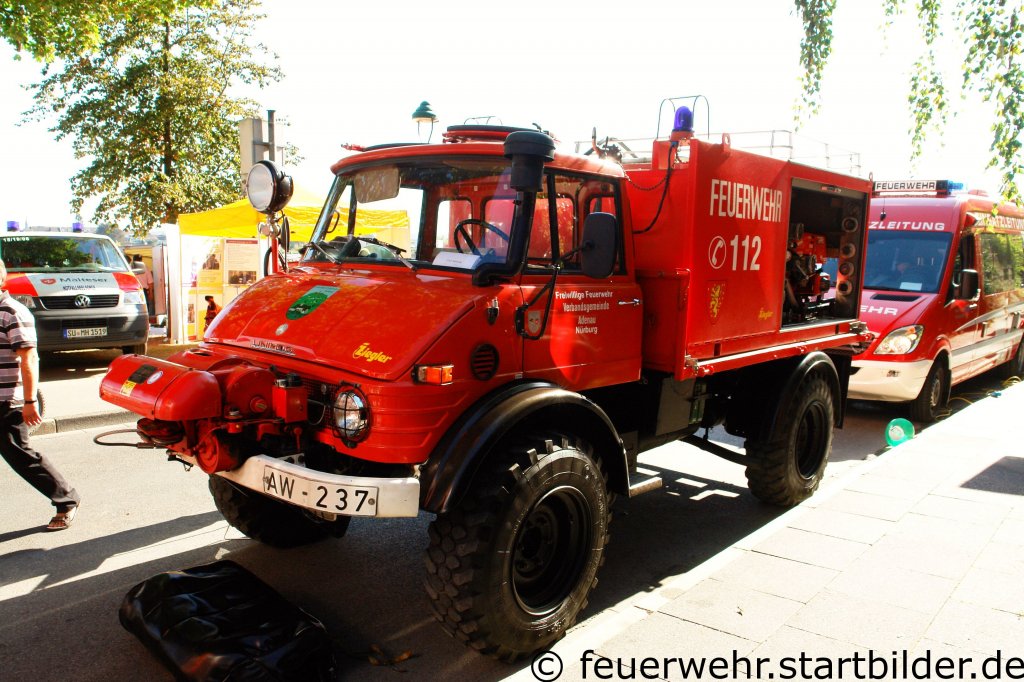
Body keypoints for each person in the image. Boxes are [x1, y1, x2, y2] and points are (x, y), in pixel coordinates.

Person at [0, 259, 81, 530]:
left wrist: (29, 400)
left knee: (20, 455)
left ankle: (66, 499)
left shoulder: (12, 312)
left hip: (6, 400)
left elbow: (29, 358)